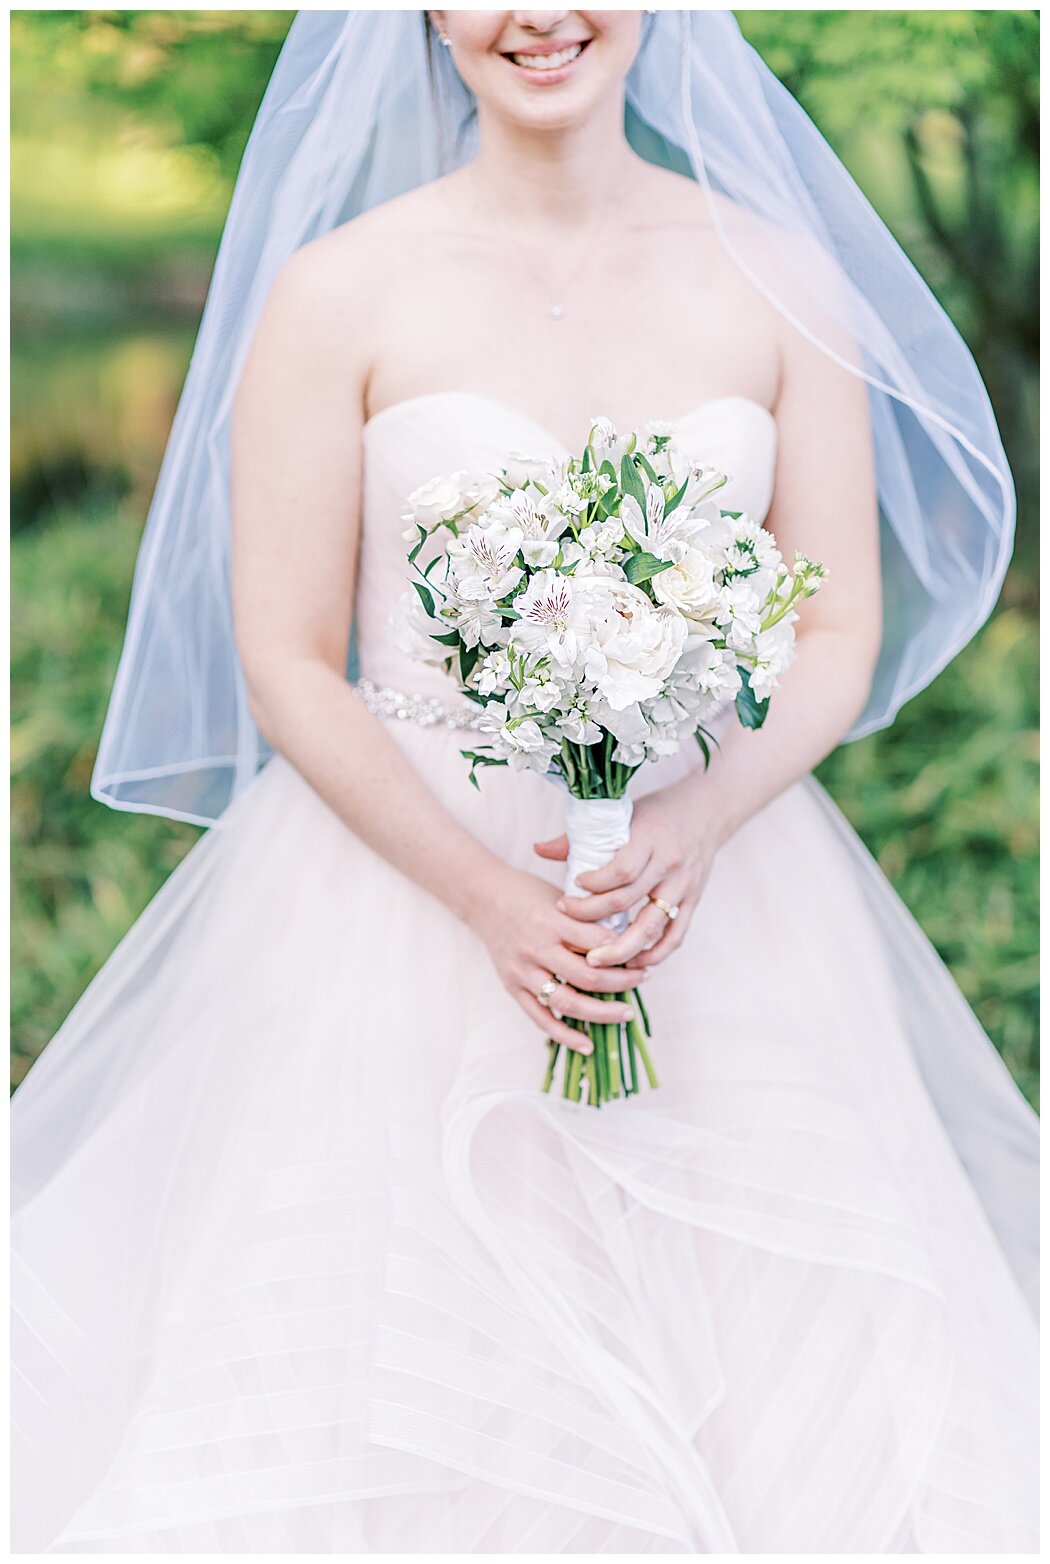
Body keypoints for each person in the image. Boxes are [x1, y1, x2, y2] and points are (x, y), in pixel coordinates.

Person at [11, 10, 1038, 1554]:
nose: (536, 14)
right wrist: (490, 897)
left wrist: (695, 819)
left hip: (713, 891)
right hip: (402, 904)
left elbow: (833, 629)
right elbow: (288, 658)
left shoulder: (775, 275)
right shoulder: (338, 289)